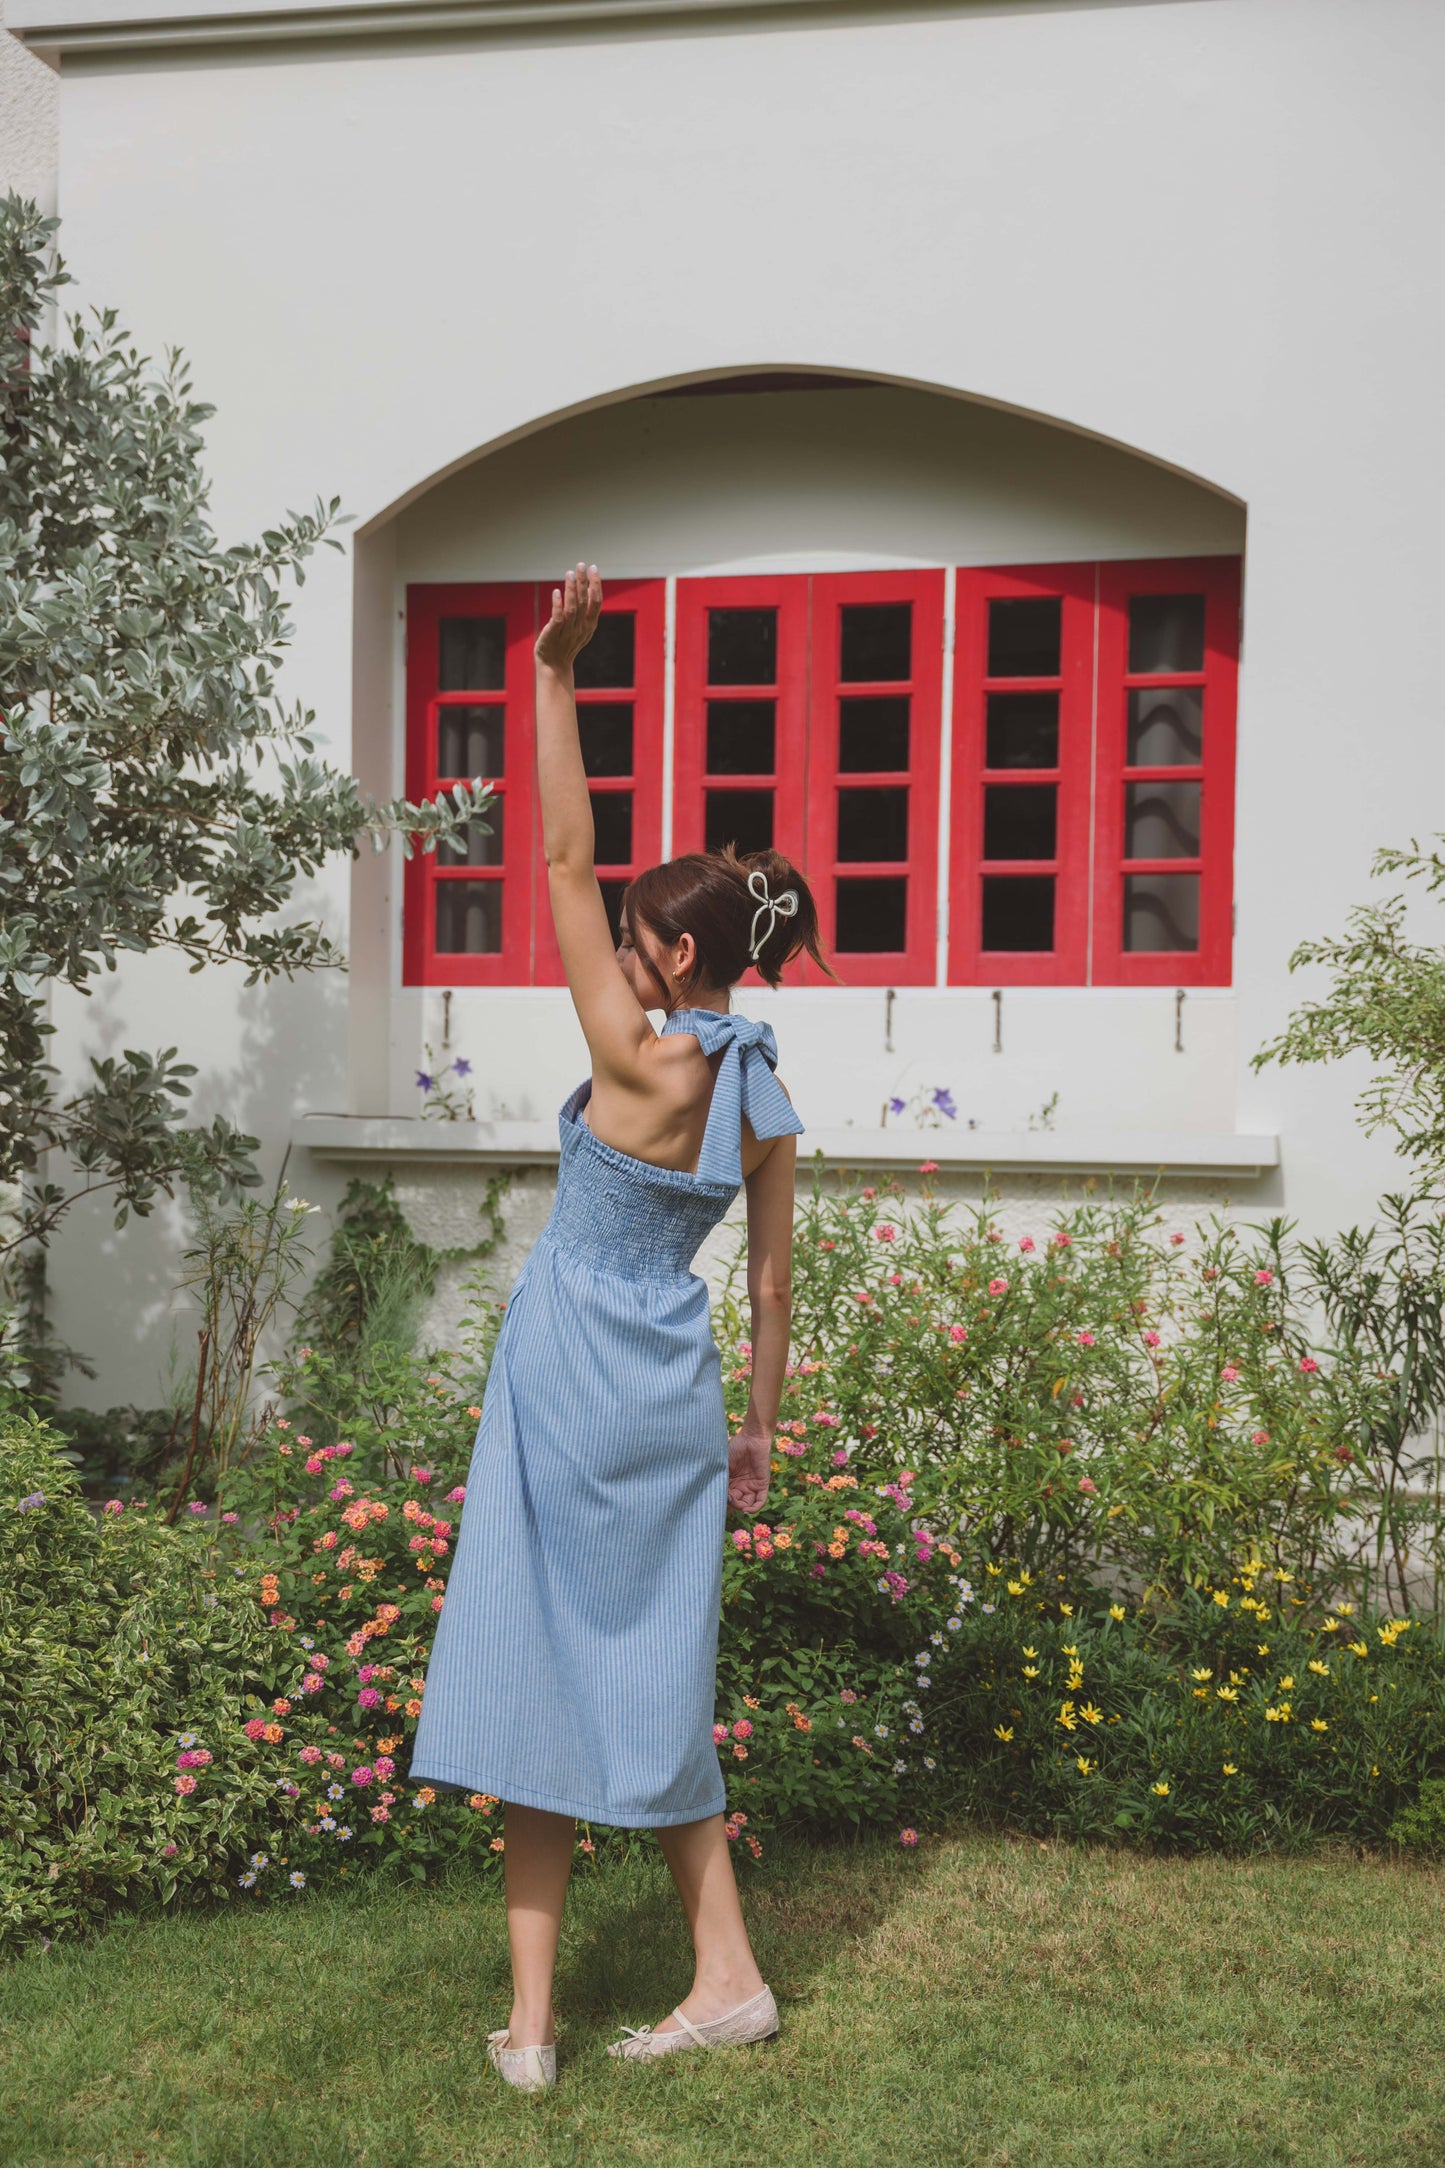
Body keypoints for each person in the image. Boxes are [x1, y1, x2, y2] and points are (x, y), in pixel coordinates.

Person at [408, 563, 831, 2092]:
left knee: (531, 1656)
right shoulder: (760, 1093)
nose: (621, 943)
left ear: (673, 954)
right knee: (649, 1671)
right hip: (676, 1388)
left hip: (569, 1367)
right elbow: (774, 1289)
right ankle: (722, 1976)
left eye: (643, 933)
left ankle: (531, 2032)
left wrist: (553, 673)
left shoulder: (636, 1053)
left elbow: (562, 857)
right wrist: (760, 1442)